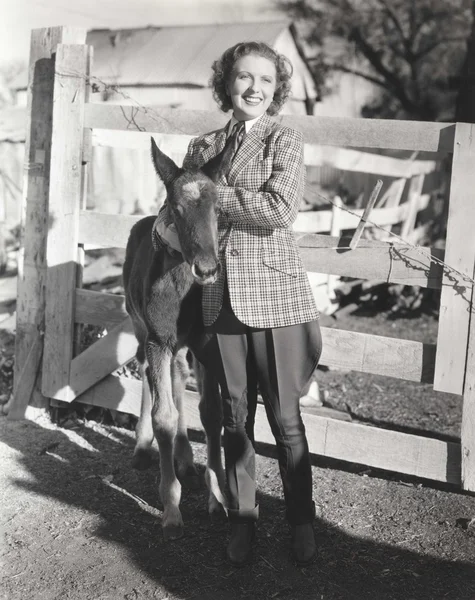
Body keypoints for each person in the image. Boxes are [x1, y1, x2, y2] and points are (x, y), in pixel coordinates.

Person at [155, 41, 322, 566]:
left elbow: (278, 208)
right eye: (244, 77)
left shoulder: (284, 140)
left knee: (286, 419)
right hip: (217, 299)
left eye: (266, 81)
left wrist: (206, 194)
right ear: (227, 83)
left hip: (275, 297)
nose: (254, 88)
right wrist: (170, 220)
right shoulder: (201, 147)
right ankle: (243, 520)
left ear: (276, 90)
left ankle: (300, 521)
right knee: (233, 420)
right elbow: (175, 214)